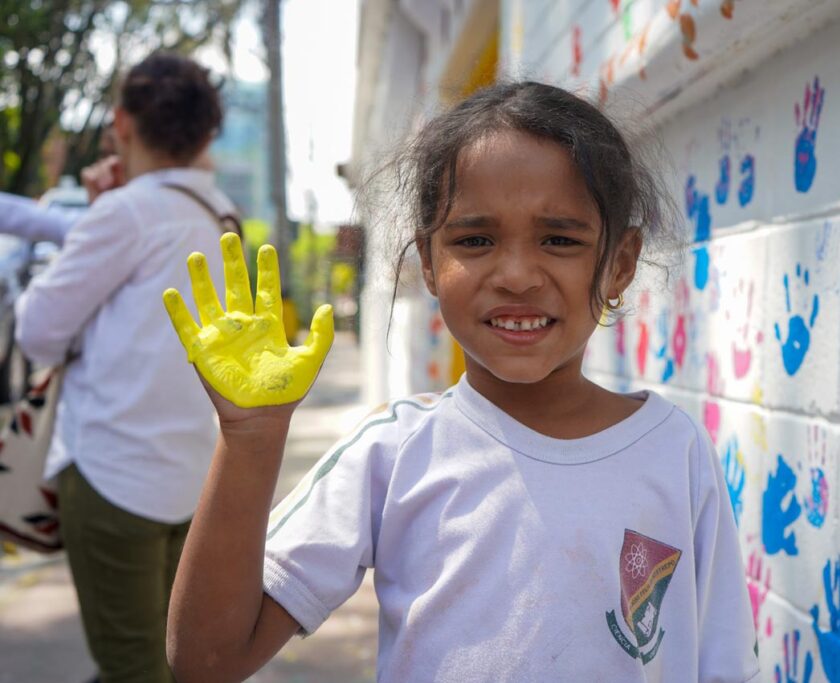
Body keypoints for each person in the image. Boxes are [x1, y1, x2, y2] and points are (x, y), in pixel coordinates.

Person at [165, 82, 758, 682]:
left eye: (560, 239)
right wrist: (252, 438)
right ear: (428, 261)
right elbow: (207, 659)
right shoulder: (392, 455)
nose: (518, 275)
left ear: (620, 264)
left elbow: (725, 663)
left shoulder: (674, 451)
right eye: (475, 240)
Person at [15, 52, 236, 683]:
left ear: (121, 124)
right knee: (165, 662)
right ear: (205, 134)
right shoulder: (222, 217)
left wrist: (101, 212)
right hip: (192, 476)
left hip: (113, 473)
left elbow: (38, 329)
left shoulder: (124, 212)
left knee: (133, 667)